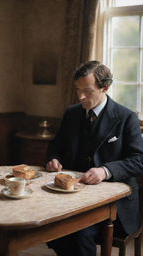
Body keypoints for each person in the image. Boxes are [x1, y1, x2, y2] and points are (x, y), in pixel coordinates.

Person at [46, 60, 143, 256]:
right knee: (52, 226)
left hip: (114, 204)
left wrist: (106, 171)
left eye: (87, 91)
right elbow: (55, 145)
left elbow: (139, 160)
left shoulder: (126, 117)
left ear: (104, 87)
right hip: (73, 197)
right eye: (77, 89)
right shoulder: (72, 113)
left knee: (78, 233)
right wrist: (53, 158)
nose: (81, 97)